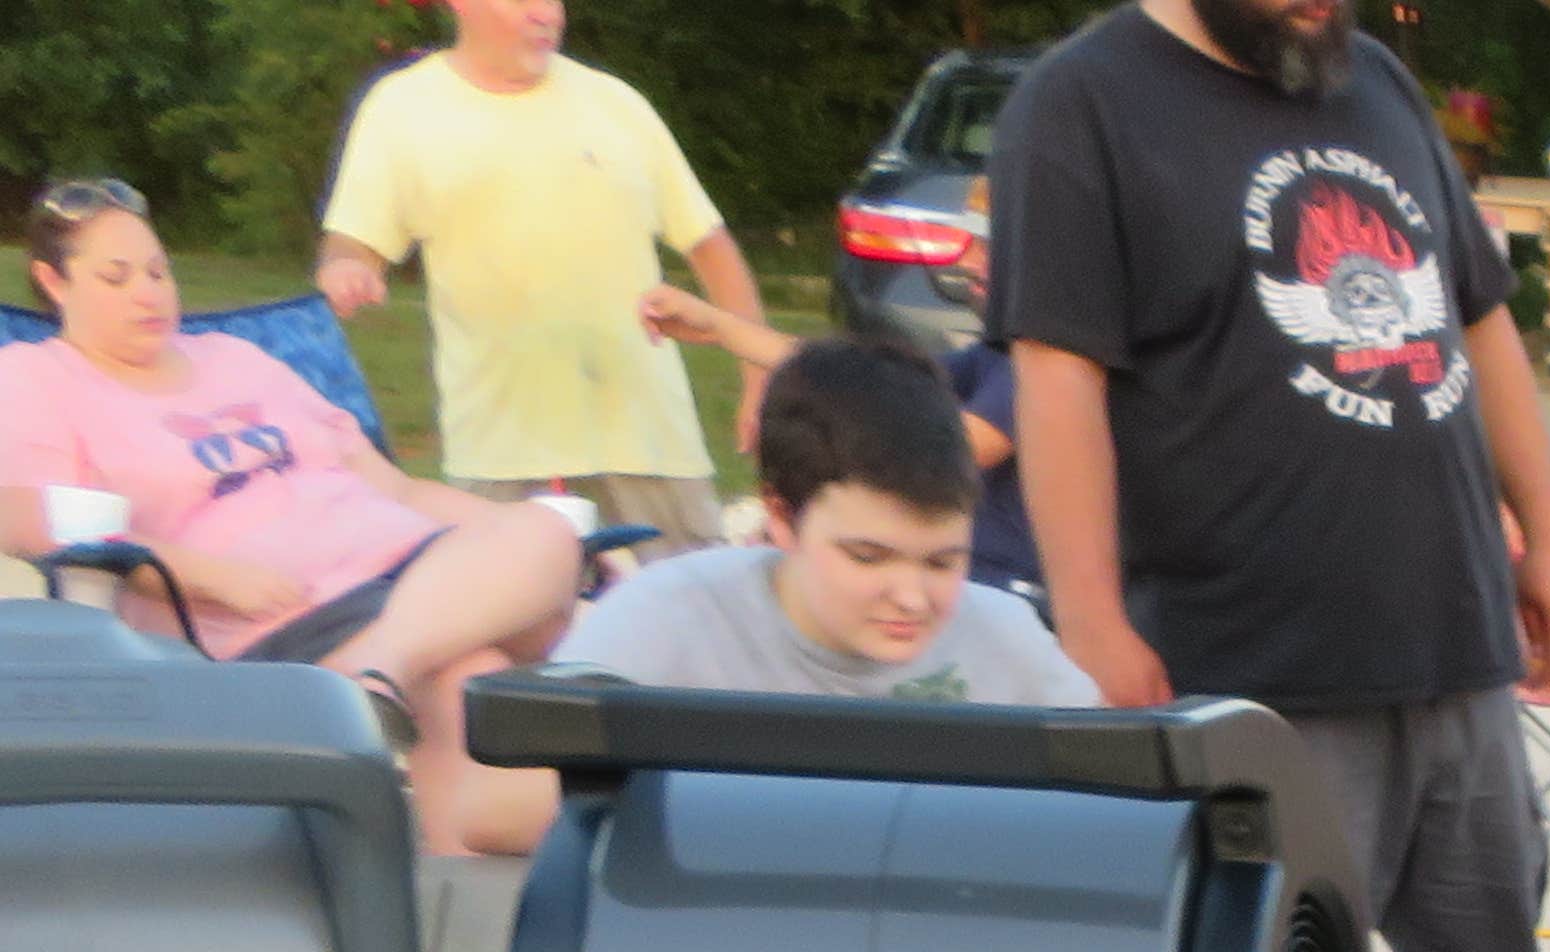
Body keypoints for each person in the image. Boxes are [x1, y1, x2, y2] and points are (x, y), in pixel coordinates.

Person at [986, 0, 1550, 952]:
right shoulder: (1083, 103)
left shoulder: (1375, 80)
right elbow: (1055, 374)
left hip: (1449, 620)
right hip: (1255, 643)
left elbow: (1484, 318)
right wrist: (1092, 616)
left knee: (1479, 937)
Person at [1, 180, 580, 857]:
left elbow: (394, 487)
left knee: (545, 532)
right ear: (53, 280)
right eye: (116, 277)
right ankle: (483, 888)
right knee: (467, 674)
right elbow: (27, 517)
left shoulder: (236, 356)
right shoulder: (35, 377)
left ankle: (374, 677)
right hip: (277, 613)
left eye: (159, 271)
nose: (148, 293)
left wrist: (534, 534)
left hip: (407, 577)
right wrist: (204, 574)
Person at [316, 0, 756, 554]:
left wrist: (758, 378)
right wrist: (347, 266)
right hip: (498, 450)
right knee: (509, 623)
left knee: (692, 617)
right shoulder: (402, 108)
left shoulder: (616, 104)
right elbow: (355, 236)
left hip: (646, 441)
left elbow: (709, 245)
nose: (546, 13)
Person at [551, 338, 1092, 706]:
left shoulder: (1007, 643)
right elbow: (496, 808)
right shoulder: (667, 621)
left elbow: (1127, 816)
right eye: (867, 557)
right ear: (781, 516)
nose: (912, 598)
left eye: (942, 561)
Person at [640, 290, 1044, 611]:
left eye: (985, 242)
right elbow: (866, 381)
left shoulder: (1039, 359)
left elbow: (956, 444)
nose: (968, 259)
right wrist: (720, 328)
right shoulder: (997, 353)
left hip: (1001, 590)